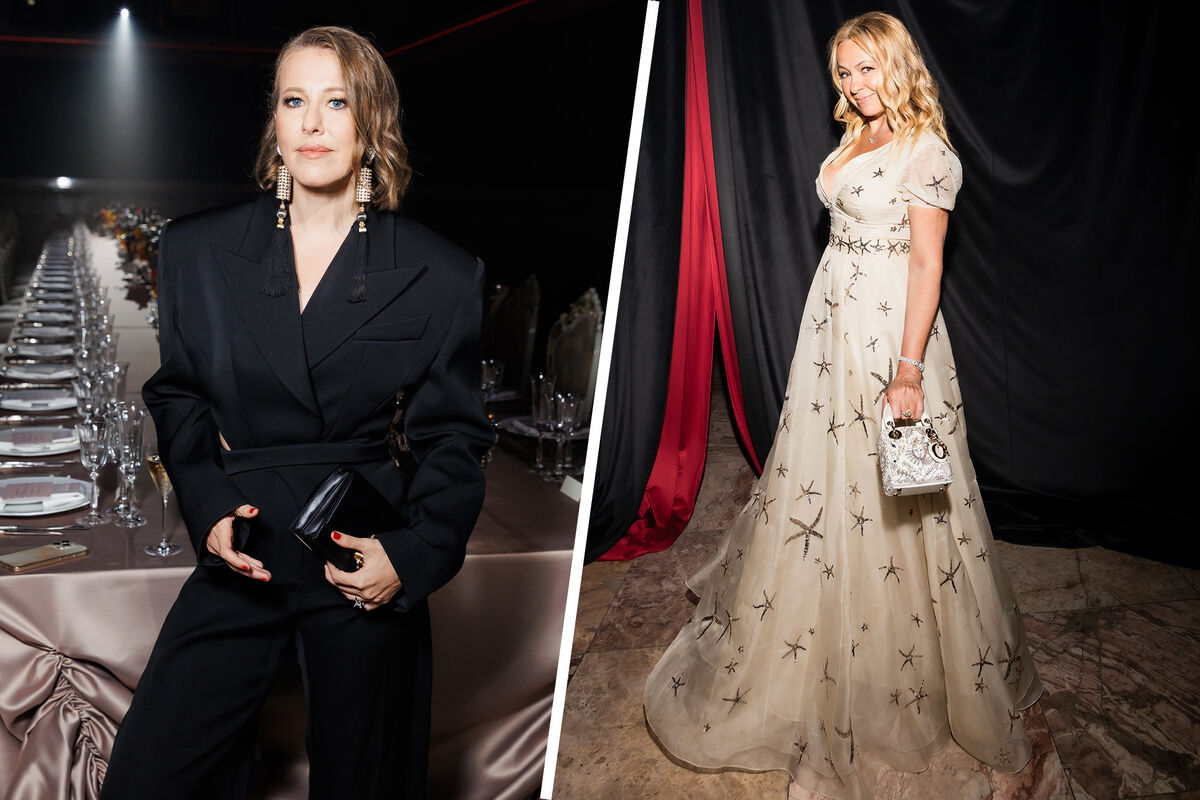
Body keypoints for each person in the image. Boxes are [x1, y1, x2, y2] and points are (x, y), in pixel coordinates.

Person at [643, 11, 1041, 798]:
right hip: (831, 328)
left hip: (890, 337)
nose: (856, 85)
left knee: (906, 495)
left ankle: (904, 667)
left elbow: (926, 266)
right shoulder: (857, 136)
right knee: (827, 483)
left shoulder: (926, 152)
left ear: (898, 65)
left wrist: (907, 369)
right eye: (845, 73)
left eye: (867, 68)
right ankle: (818, 632)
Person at [99, 26, 494, 799]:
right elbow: (178, 394)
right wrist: (209, 505)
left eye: (337, 102)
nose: (313, 123)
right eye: (293, 101)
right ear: (274, 121)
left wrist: (412, 555)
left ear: (372, 121)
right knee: (151, 777)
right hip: (244, 548)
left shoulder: (442, 272)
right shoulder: (195, 251)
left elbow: (452, 437)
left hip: (358, 554)